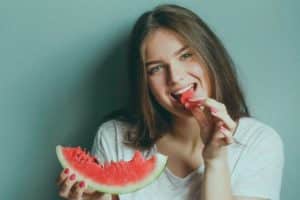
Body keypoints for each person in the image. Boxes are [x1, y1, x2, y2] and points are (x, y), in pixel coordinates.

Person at [56, 4, 284, 200]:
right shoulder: (114, 137)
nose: (175, 77)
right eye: (155, 68)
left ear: (210, 55)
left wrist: (215, 161)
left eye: (186, 55)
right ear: (144, 81)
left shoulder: (259, 143)